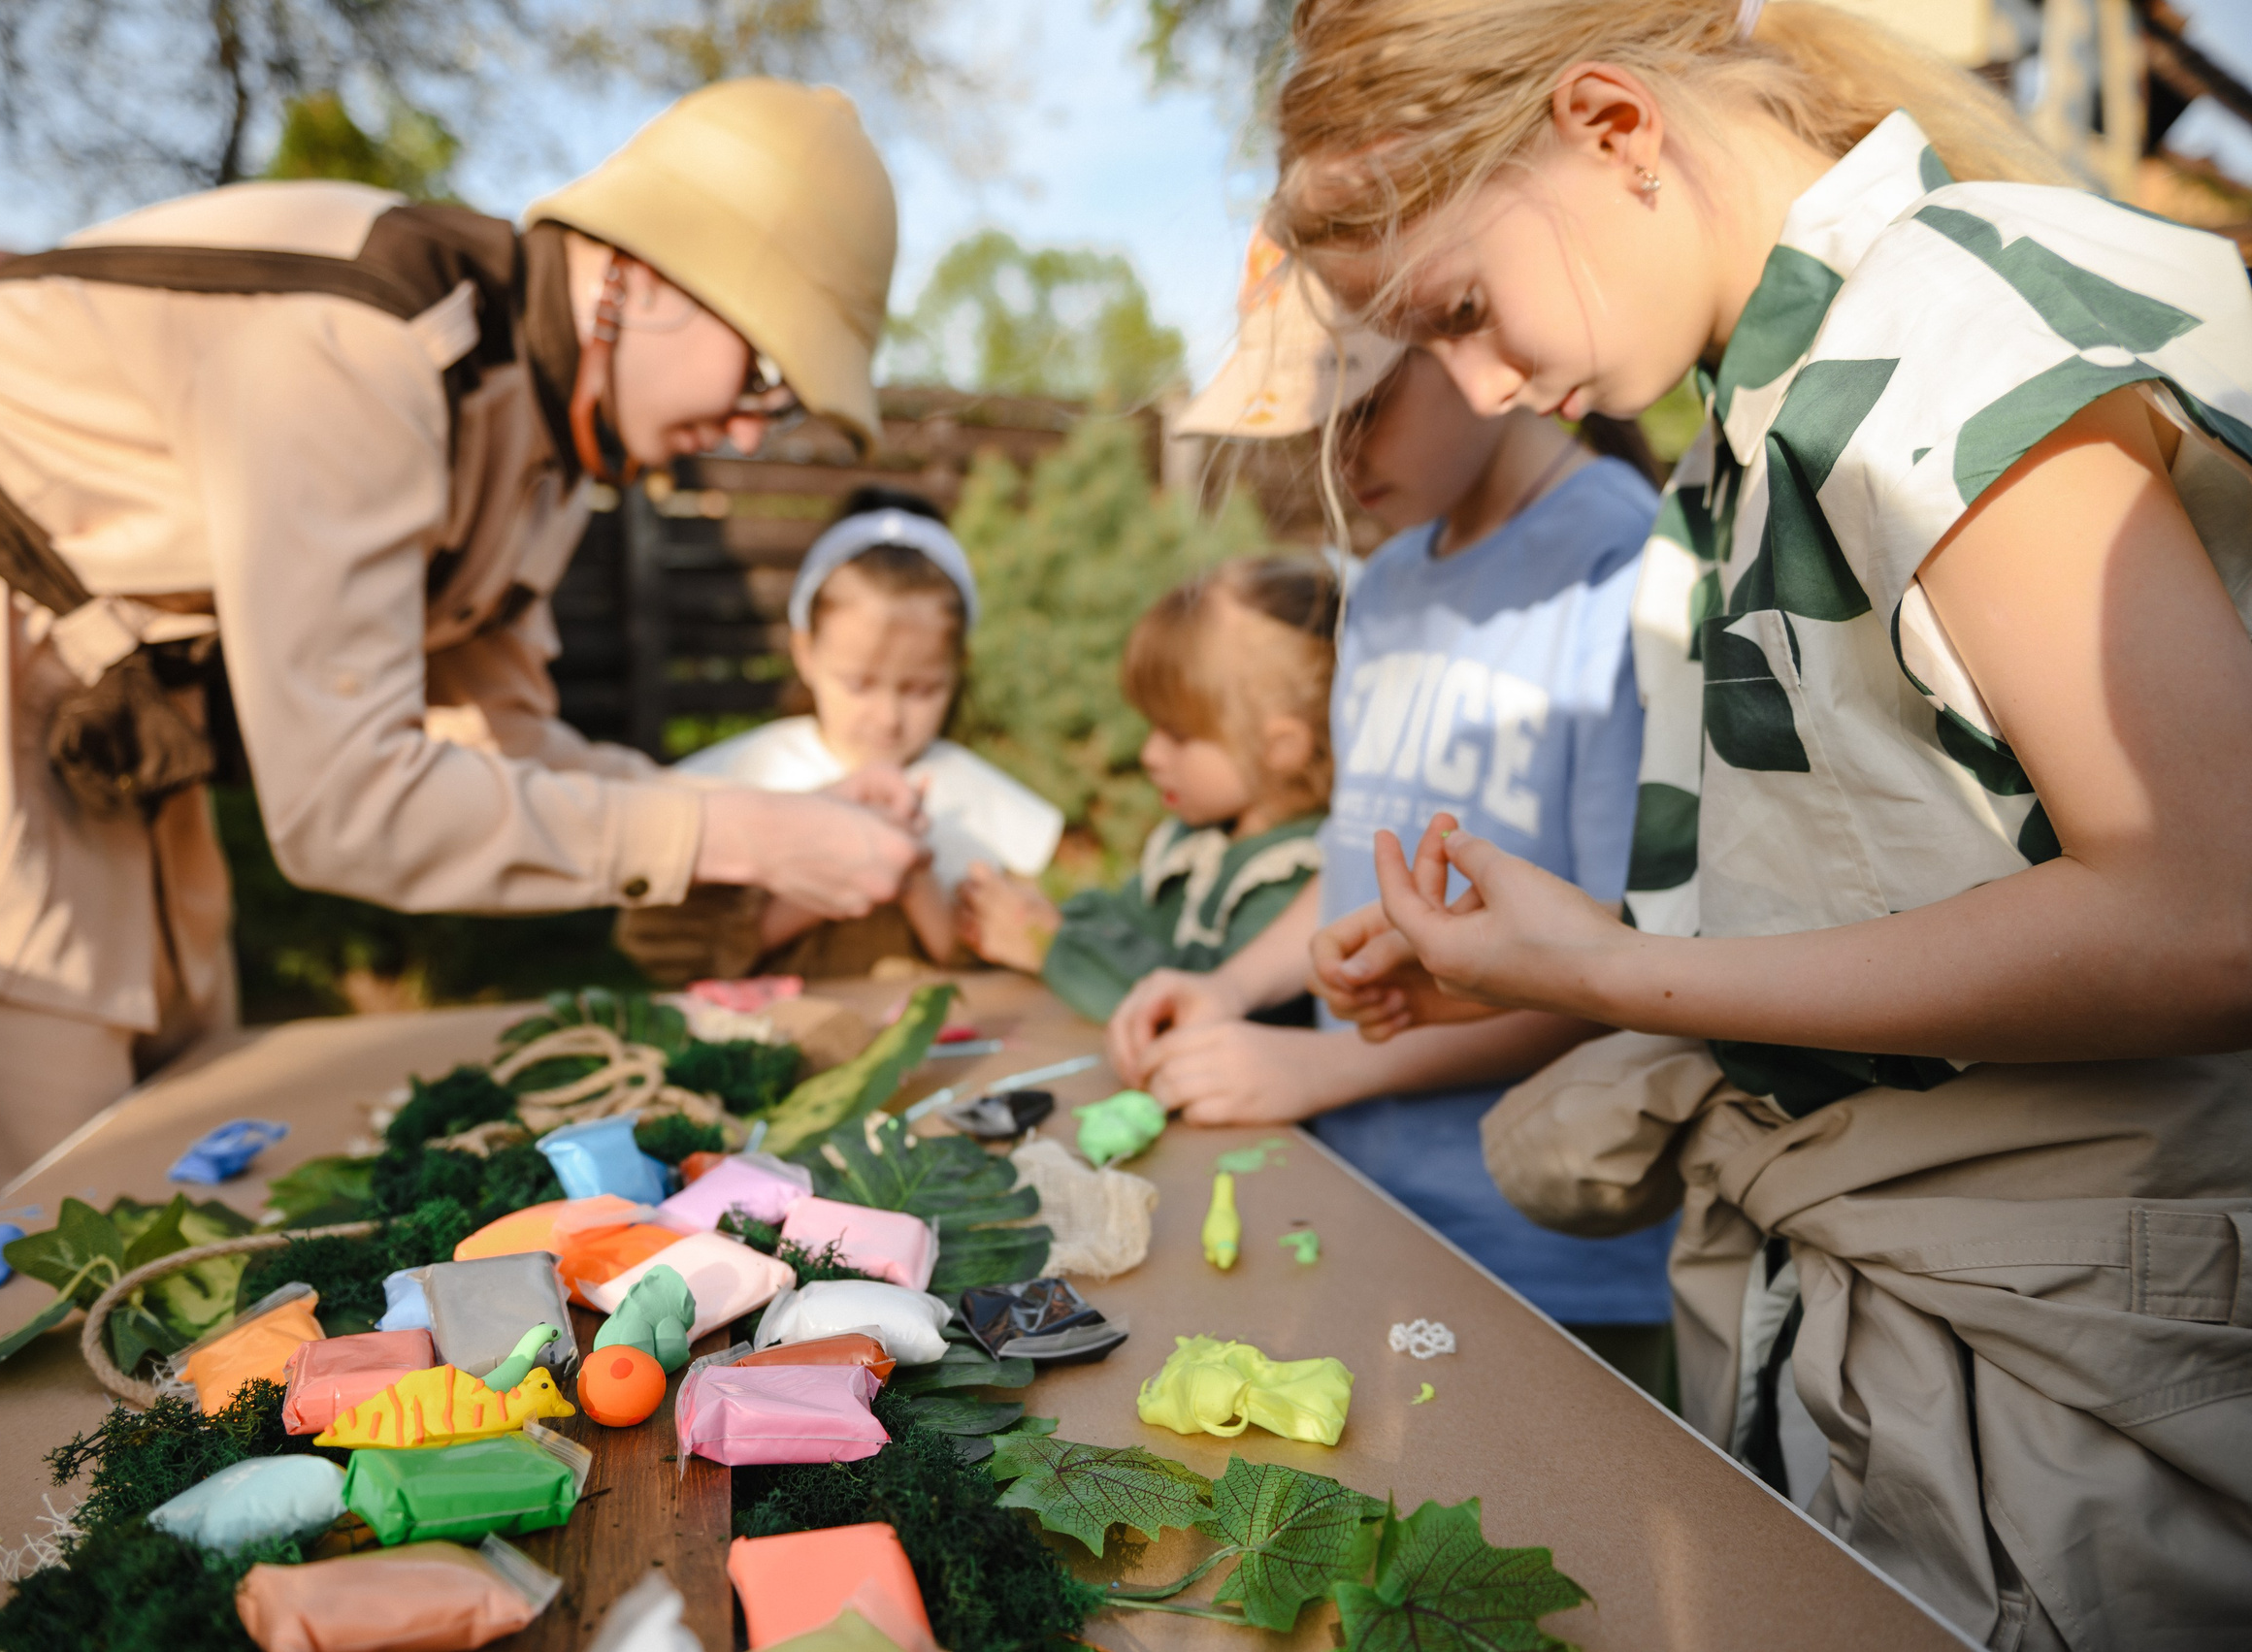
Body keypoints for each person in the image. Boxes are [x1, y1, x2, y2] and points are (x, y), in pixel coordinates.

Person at [1283, 2, 2252, 1645]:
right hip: (1896, 1349)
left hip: (2058, 1402)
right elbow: (1914, 879)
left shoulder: (1940, 337)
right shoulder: (1750, 425)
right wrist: (1569, 954)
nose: (1484, 382)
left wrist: (1611, 975)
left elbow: (2208, 908)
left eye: (1461, 308)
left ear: (1612, 126)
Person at [0, 78, 927, 1242]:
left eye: (782, 408)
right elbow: (345, 805)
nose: (748, 432)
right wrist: (732, 834)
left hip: (105, 717)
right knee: (50, 1223)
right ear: (650, 274)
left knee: (192, 1147)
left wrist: (770, 824)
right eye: (763, 375)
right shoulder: (367, 350)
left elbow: (503, 744)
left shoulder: (545, 427)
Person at [1104, 232, 1675, 1390]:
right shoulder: (1389, 580)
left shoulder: (1623, 568)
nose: (1331, 454)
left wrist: (1323, 1068)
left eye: (1360, 407)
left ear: (1462, 330)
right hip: (1359, 1203)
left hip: (1546, 1240)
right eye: (1307, 422)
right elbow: (1358, 859)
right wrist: (1232, 989)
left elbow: (1629, 967)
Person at [616, 487, 1063, 984]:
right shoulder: (750, 773)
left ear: (959, 668)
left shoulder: (973, 793)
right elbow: (668, 950)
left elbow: (1006, 959)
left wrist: (913, 873)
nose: (887, 718)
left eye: (920, 689)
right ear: (806, 653)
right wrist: (826, 868)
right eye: (859, 684)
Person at [959, 556, 1336, 1023]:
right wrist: (1045, 918)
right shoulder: (1197, 838)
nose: (1150, 754)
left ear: (1281, 747)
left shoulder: (1295, 876)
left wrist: (1052, 946)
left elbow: (1198, 1003)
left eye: (1178, 735)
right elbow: (1128, 918)